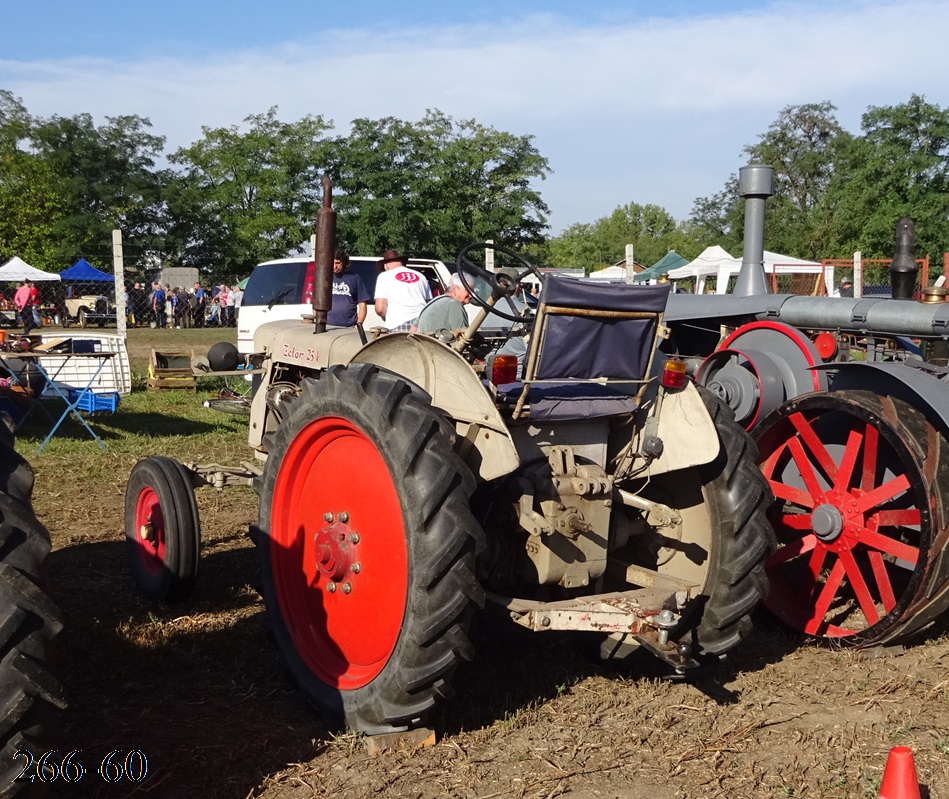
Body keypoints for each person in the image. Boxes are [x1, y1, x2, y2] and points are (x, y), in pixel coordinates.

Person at [374, 249, 431, 332]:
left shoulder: (384, 276)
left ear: (385, 265)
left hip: (398, 323)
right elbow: (429, 304)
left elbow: (380, 308)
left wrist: (385, 316)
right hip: (422, 323)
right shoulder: (421, 276)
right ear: (401, 262)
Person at [328, 250, 370, 328]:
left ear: (344, 263)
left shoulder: (354, 278)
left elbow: (362, 305)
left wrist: (359, 323)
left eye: (337, 263)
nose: (335, 266)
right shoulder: (325, 278)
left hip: (349, 327)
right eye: (332, 263)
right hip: (328, 326)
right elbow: (316, 302)